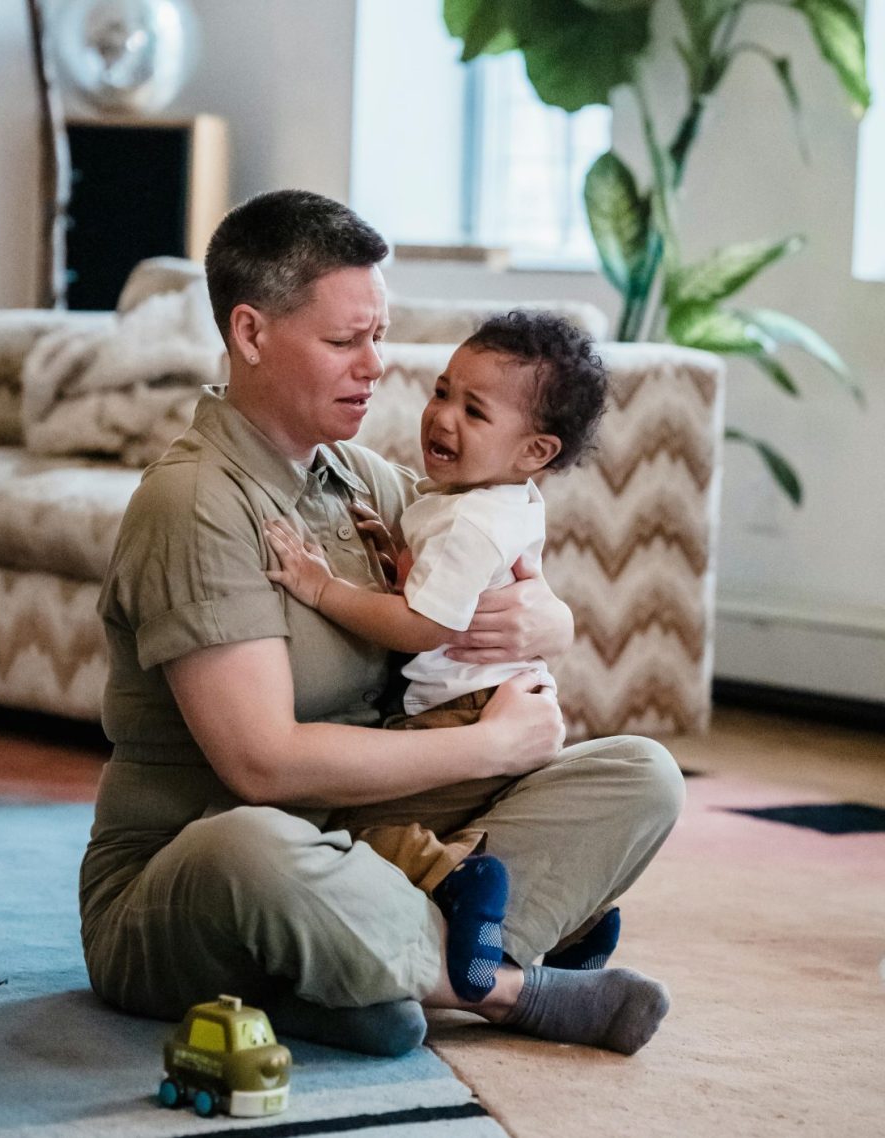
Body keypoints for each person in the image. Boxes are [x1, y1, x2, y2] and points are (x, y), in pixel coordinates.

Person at [79, 189, 685, 1060]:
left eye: (379, 334)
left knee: (641, 774)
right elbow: (262, 766)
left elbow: (493, 560)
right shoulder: (195, 503)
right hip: (194, 866)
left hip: (364, 830)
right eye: (345, 341)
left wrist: (547, 620)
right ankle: (504, 989)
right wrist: (487, 747)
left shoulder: (361, 478)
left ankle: (357, 973)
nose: (376, 365)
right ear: (251, 333)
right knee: (254, 846)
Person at [263, 309, 608, 1005]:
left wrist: (322, 588)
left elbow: (421, 625)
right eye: (443, 392)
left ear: (535, 450)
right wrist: (395, 551)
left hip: (460, 712)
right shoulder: (493, 498)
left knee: (356, 829)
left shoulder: (469, 522)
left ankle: (456, 878)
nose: (443, 417)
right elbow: (439, 579)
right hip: (500, 698)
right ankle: (580, 924)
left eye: (474, 411)